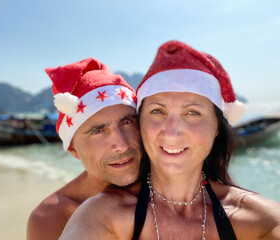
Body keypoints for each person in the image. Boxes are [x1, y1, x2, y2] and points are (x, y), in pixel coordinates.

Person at [59, 41, 280, 240]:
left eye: (193, 113)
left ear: (217, 128)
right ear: (141, 123)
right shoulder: (101, 216)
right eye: (157, 112)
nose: (172, 132)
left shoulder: (260, 220)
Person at [27, 58, 143, 240]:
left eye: (127, 122)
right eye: (98, 131)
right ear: (73, 149)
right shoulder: (52, 217)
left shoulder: (177, 188)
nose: (121, 145)